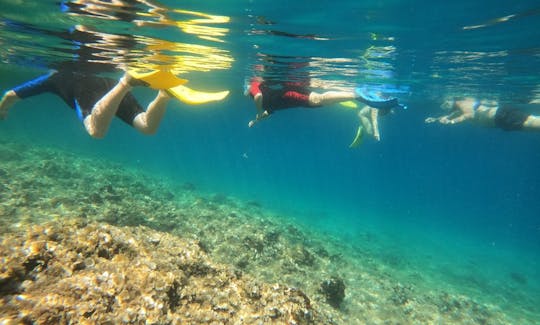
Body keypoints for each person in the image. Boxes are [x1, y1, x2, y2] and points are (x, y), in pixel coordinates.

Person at [0, 70, 172, 138]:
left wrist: (2, 111)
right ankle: (164, 94)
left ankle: (125, 83)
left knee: (96, 130)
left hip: (85, 89)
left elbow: (9, 95)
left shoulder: (54, 78)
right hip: (109, 82)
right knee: (147, 126)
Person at [245, 78, 405, 128]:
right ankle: (358, 94)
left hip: (290, 95)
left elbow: (258, 97)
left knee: (318, 99)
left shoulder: (253, 86)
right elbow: (269, 111)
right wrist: (257, 119)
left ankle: (356, 94)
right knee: (320, 99)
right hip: (291, 97)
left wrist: (258, 112)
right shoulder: (266, 103)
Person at [425, 97, 540, 131]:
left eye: (445, 102)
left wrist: (452, 122)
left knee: (532, 123)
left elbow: (468, 115)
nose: (443, 106)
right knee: (532, 123)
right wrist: (436, 119)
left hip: (500, 116)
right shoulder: (458, 108)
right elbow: (454, 115)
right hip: (500, 119)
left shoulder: (462, 103)